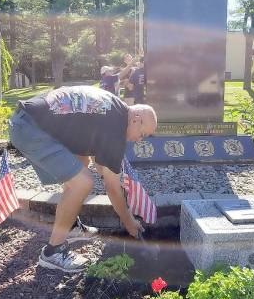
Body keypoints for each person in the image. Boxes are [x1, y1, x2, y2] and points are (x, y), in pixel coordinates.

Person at [8, 85, 157, 273]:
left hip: (28, 120)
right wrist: (128, 221)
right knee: (82, 183)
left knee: (82, 161)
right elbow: (111, 187)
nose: (139, 140)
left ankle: (69, 227)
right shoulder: (116, 127)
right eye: (142, 134)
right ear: (136, 119)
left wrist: (111, 173)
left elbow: (99, 163)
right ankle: (53, 252)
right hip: (30, 128)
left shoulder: (115, 107)